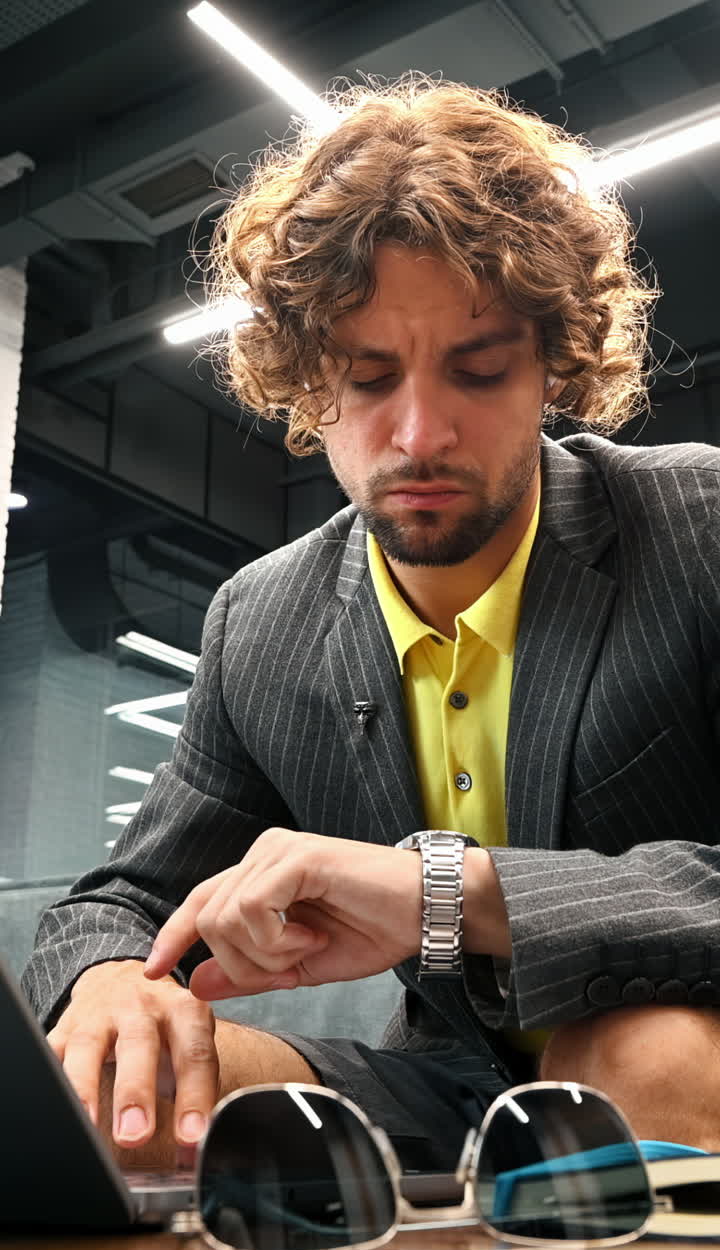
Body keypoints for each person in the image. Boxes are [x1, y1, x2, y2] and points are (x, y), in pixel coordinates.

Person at [23, 78, 720, 1172]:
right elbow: (120, 899)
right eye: (365, 374)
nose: (419, 430)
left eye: (479, 369)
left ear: (553, 364)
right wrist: (109, 979)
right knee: (132, 1088)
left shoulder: (699, 527)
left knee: (643, 1054)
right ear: (307, 383)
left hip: (676, 1053)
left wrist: (448, 891)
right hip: (446, 1081)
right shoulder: (263, 621)